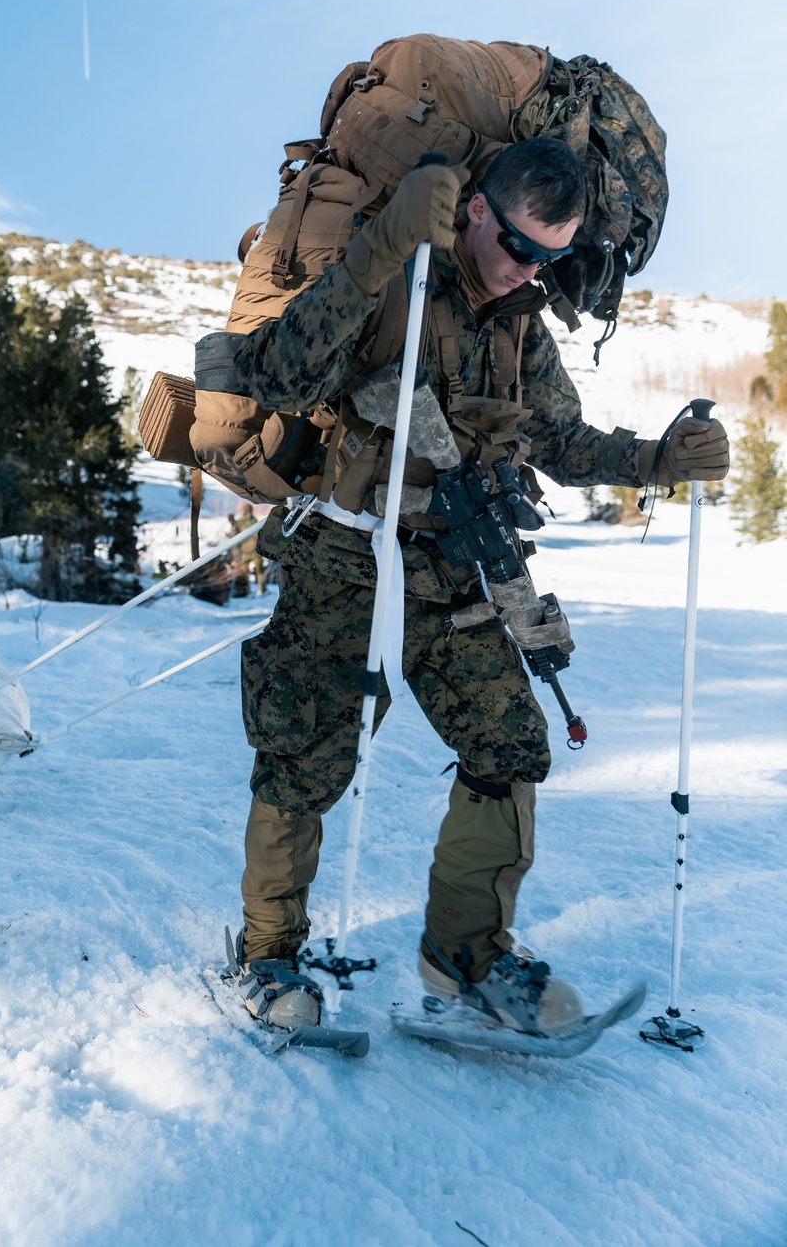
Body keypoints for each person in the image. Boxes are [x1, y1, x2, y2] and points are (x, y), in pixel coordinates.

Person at [226, 137, 729, 1034]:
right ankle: (267, 952)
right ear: (476, 210)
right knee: (305, 757)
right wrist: (381, 247)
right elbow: (275, 371)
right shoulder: (390, 272)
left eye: (553, 257)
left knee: (508, 746)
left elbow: (559, 440)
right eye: (521, 248)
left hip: (454, 570)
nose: (529, 271)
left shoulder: (519, 320)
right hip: (346, 559)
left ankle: (465, 956)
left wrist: (656, 458)